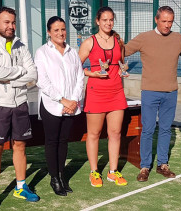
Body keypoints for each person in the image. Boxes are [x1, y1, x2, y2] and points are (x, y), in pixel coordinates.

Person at [0, 7, 39, 211]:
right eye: (6, 22)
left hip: (20, 102)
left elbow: (33, 74)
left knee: (20, 146)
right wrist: (20, 73)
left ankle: (21, 187)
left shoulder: (21, 45)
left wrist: (12, 80)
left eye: (13, 22)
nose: (11, 26)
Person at [124, 6, 181, 182]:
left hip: (171, 92)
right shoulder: (144, 38)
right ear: (156, 20)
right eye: (164, 21)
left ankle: (163, 165)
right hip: (149, 92)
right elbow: (122, 51)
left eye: (170, 21)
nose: (167, 25)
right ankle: (145, 166)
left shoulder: (178, 38)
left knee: (165, 129)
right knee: (148, 130)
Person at [78, 6, 128, 187]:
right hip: (96, 93)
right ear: (97, 21)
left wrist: (123, 71)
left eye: (111, 20)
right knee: (94, 133)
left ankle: (113, 172)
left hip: (116, 93)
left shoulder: (118, 41)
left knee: (115, 133)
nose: (108, 23)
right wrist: (92, 74)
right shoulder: (89, 42)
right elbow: (76, 67)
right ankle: (94, 172)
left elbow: (121, 63)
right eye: (105, 19)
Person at [35, 16, 84, 196]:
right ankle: (54, 178)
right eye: (56, 30)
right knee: (52, 141)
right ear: (49, 32)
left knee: (63, 142)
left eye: (63, 29)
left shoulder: (72, 52)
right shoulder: (42, 52)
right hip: (51, 105)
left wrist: (73, 101)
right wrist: (62, 100)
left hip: (71, 106)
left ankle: (62, 175)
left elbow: (80, 78)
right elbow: (43, 81)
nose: (60, 33)